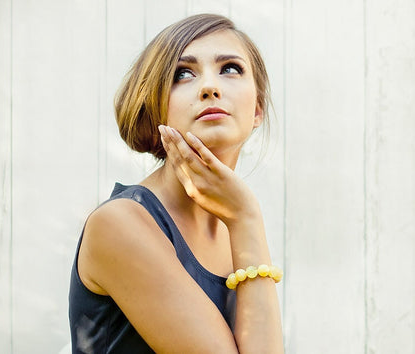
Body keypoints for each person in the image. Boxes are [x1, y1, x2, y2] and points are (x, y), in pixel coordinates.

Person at [69, 14, 283, 353]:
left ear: (257, 109)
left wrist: (243, 221)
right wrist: (247, 217)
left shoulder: (232, 226)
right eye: (182, 74)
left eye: (230, 68)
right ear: (155, 108)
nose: (209, 88)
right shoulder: (121, 224)